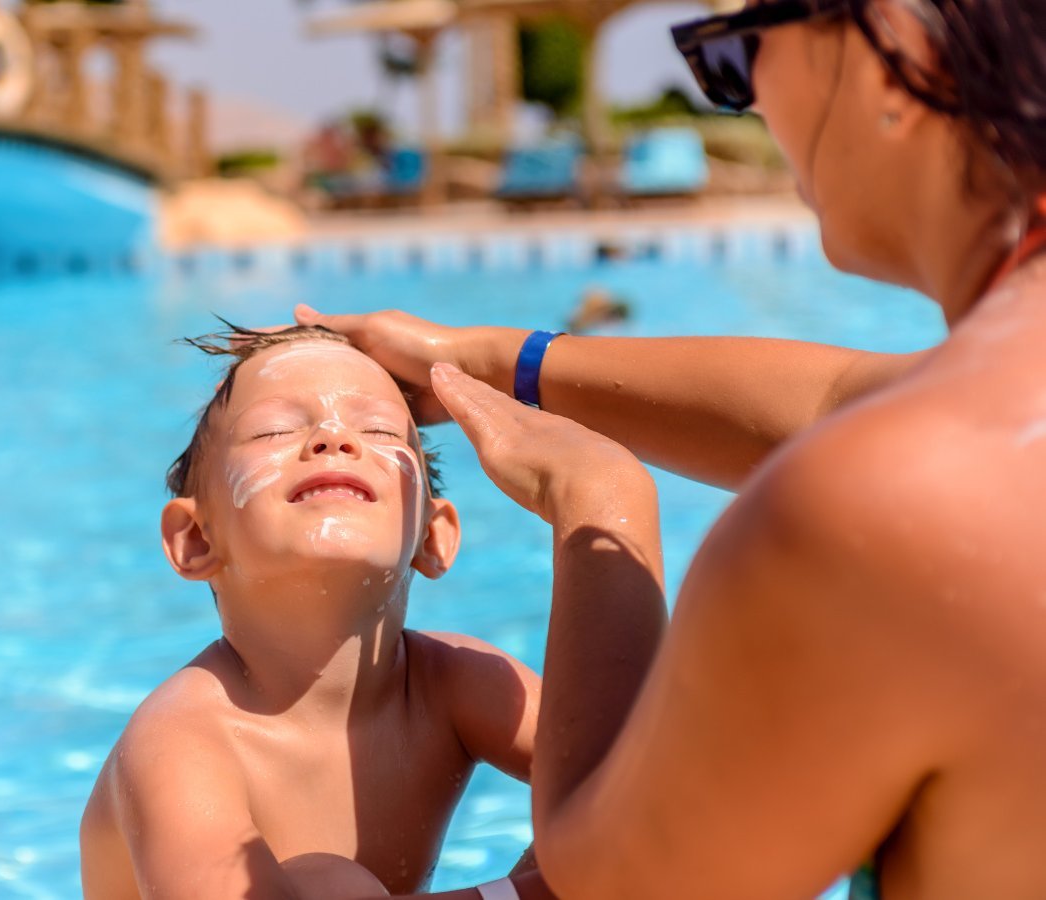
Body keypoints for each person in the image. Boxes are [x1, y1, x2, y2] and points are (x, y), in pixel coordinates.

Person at [290, 0, 1046, 895]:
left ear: (897, 42)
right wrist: (497, 360)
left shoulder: (873, 516)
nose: (743, 100)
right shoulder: (989, 409)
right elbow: (835, 398)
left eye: (734, 53)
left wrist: (599, 497)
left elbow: (614, 882)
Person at [79, 325, 551, 900]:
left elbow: (635, 781)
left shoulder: (459, 683)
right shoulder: (180, 742)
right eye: (274, 429)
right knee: (327, 884)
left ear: (433, 535)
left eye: (376, 429)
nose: (334, 438)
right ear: (196, 539)